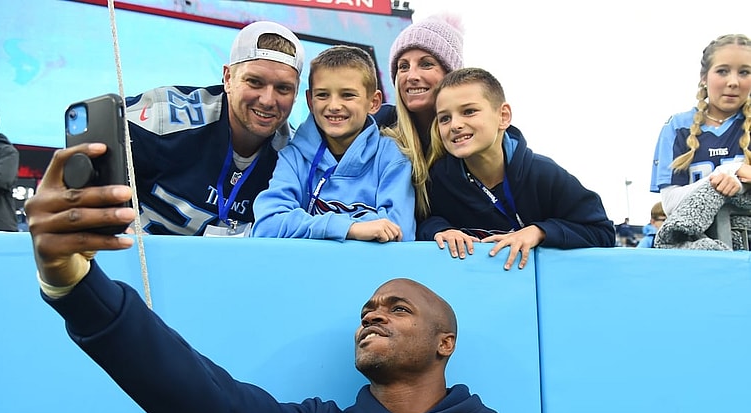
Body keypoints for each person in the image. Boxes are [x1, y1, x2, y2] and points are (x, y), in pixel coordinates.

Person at [23, 143, 545, 413]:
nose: (372, 316)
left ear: (444, 342)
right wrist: (75, 287)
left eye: (397, 308)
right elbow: (193, 389)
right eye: (367, 310)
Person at [419, 68, 616, 270]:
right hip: (475, 290)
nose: (455, 125)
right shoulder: (438, 180)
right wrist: (440, 230)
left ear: (503, 116)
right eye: (444, 118)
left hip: (540, 294)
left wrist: (539, 231)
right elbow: (421, 222)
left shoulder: (544, 174)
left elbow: (602, 232)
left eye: (469, 111)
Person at [125, 21, 304, 236]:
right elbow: (93, 129)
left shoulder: (294, 157)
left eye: (283, 88)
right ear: (228, 78)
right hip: (137, 264)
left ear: (296, 94)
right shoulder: (167, 117)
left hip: (225, 268)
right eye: (255, 82)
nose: (267, 100)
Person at [251, 45, 415, 242]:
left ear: (374, 102)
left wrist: (303, 224)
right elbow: (267, 224)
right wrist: (351, 228)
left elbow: (398, 233)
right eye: (322, 95)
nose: (334, 106)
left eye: (348, 95)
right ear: (310, 102)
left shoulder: (392, 157)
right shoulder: (293, 157)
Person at [649, 34, 751, 217]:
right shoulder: (677, 127)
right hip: (697, 242)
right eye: (722, 71)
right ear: (704, 77)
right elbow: (670, 204)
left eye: (744, 72)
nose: (733, 82)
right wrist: (729, 171)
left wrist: (740, 186)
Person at [377, 13, 465, 221]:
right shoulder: (377, 127)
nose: (412, 76)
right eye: (403, 66)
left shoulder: (471, 135)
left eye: (426, 64)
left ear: (450, 75)